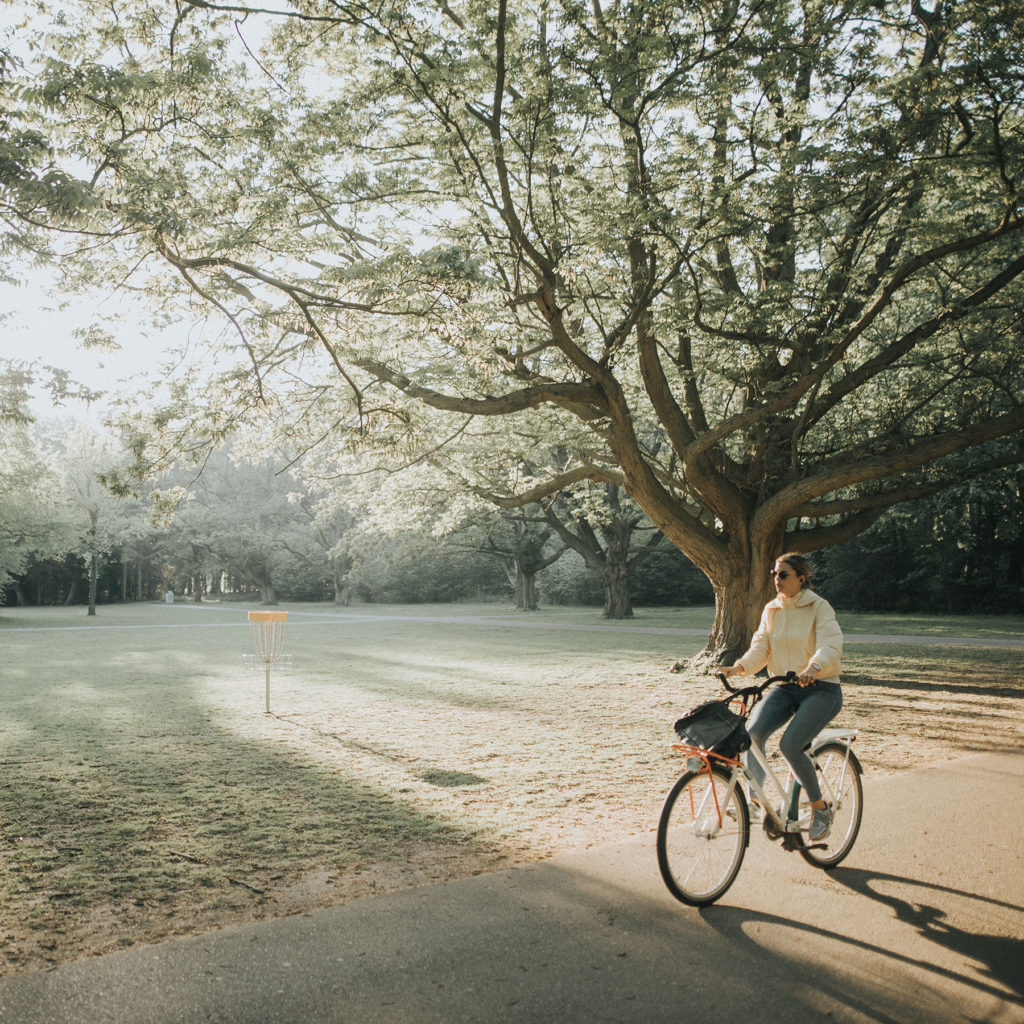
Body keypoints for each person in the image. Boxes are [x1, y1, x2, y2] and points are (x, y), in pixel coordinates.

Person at [719, 552, 843, 841]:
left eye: (783, 574)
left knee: (791, 745)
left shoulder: (819, 607)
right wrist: (739, 667)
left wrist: (814, 666)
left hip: (821, 688)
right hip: (784, 687)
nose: (777, 579)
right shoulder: (772, 609)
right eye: (774, 574)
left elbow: (831, 644)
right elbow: (760, 647)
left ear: (801, 578)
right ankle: (754, 805)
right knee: (751, 735)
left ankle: (819, 807)